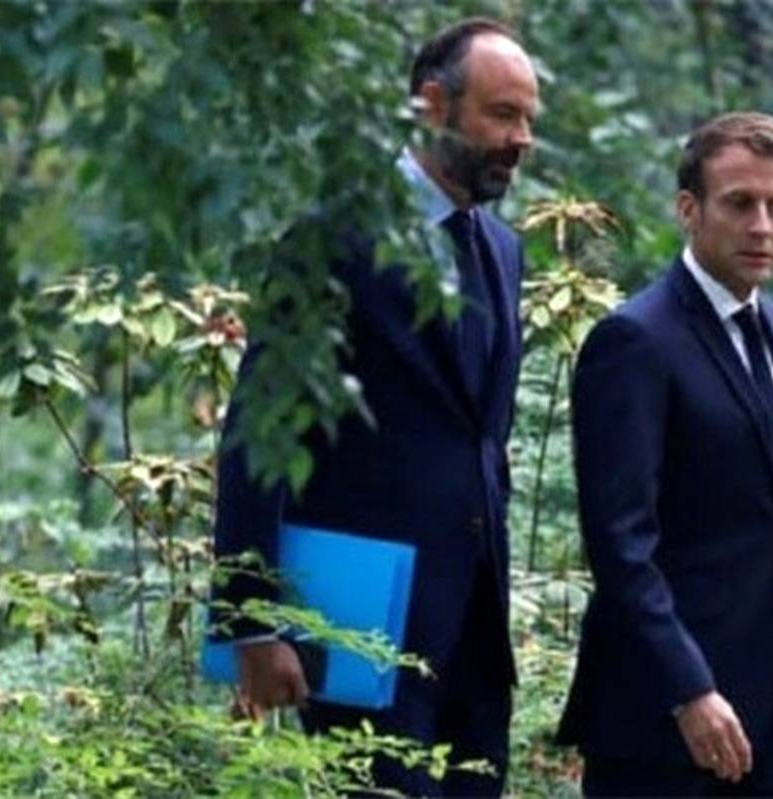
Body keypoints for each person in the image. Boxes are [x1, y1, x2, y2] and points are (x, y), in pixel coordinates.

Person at [212, 18, 538, 796]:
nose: (521, 139)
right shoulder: (332, 239)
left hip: (474, 644)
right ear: (432, 105)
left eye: (528, 119)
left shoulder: (503, 250)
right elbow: (257, 434)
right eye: (502, 114)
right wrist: (252, 621)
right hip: (358, 628)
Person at [557, 112, 773, 796]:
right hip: (661, 711)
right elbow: (620, 545)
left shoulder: (771, 323)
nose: (762, 225)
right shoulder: (635, 341)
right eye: (740, 203)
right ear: (689, 210)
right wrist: (688, 688)